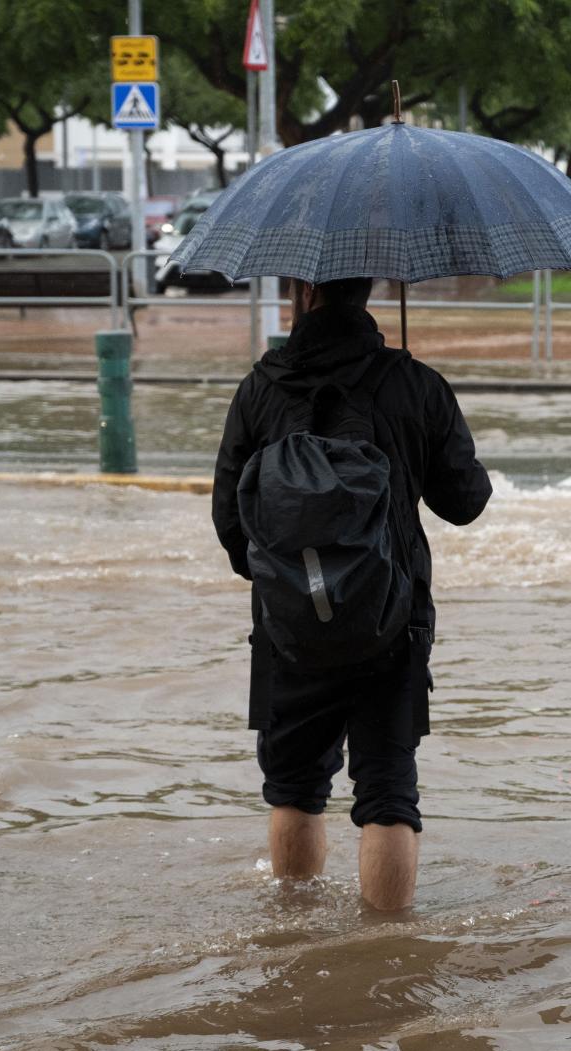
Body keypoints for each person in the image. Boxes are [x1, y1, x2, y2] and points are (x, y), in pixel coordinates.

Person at [213, 276, 491, 910]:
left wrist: (291, 587)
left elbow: (230, 522)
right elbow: (466, 503)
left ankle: (293, 934)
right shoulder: (414, 383)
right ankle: (387, 953)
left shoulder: (260, 388)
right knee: (389, 792)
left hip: (286, 629)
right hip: (392, 622)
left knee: (292, 787)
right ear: (370, 287)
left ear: (301, 288)